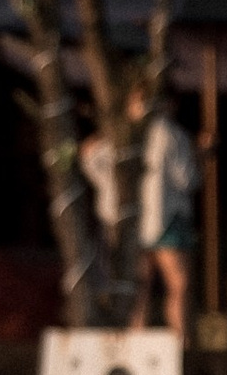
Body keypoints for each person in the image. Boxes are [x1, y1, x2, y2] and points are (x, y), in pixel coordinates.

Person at [79, 77, 202, 330]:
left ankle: (139, 339)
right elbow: (187, 178)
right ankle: (180, 342)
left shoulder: (118, 134)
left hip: (130, 223)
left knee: (138, 287)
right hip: (165, 219)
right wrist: (201, 155)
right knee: (178, 284)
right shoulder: (167, 132)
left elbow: (90, 159)